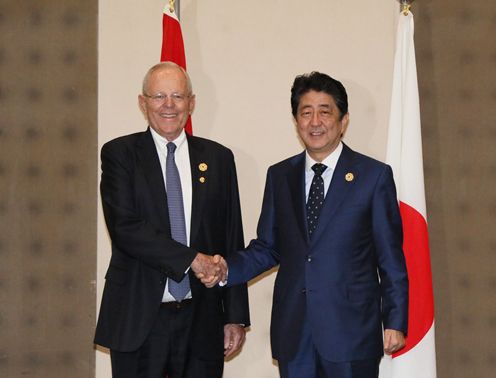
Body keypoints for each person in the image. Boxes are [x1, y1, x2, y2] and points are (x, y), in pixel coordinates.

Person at [217, 72, 408, 378]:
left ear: (343, 120)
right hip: (294, 332)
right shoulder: (279, 176)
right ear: (296, 121)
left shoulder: (373, 177)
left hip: (352, 333)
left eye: (325, 111)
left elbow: (390, 257)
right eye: (306, 113)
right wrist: (225, 269)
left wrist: (395, 321)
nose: (315, 121)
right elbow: (268, 247)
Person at [94, 61, 250, 378]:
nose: (169, 105)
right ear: (143, 102)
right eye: (159, 96)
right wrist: (192, 259)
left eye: (177, 96)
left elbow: (232, 236)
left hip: (202, 319)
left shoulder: (218, 158)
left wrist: (234, 315)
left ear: (191, 103)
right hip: (138, 317)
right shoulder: (120, 154)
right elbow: (126, 228)